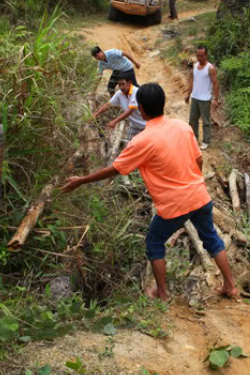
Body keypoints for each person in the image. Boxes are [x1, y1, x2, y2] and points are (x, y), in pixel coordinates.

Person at [61, 83, 239, 302]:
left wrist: (81, 180)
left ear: (142, 109)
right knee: (211, 239)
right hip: (199, 196)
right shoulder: (182, 127)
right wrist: (193, 182)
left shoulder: (141, 141)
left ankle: (162, 294)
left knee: (154, 243)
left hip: (174, 205)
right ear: (162, 103)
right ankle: (230, 286)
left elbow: (116, 169)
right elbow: (198, 159)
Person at [92, 70, 146, 145]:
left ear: (129, 83)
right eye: (119, 85)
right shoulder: (119, 94)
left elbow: (130, 111)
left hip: (146, 125)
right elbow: (108, 105)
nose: (121, 87)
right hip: (134, 125)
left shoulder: (136, 92)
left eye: (123, 84)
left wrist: (115, 121)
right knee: (130, 146)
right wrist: (96, 114)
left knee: (145, 146)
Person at [185, 46, 220, 150]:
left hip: (205, 99)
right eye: (198, 55)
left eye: (201, 56)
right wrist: (188, 94)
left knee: (206, 121)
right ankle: (194, 139)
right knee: (192, 120)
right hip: (195, 97)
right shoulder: (194, 66)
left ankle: (206, 141)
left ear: (206, 55)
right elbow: (192, 81)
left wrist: (216, 99)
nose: (199, 58)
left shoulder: (210, 68)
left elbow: (215, 83)